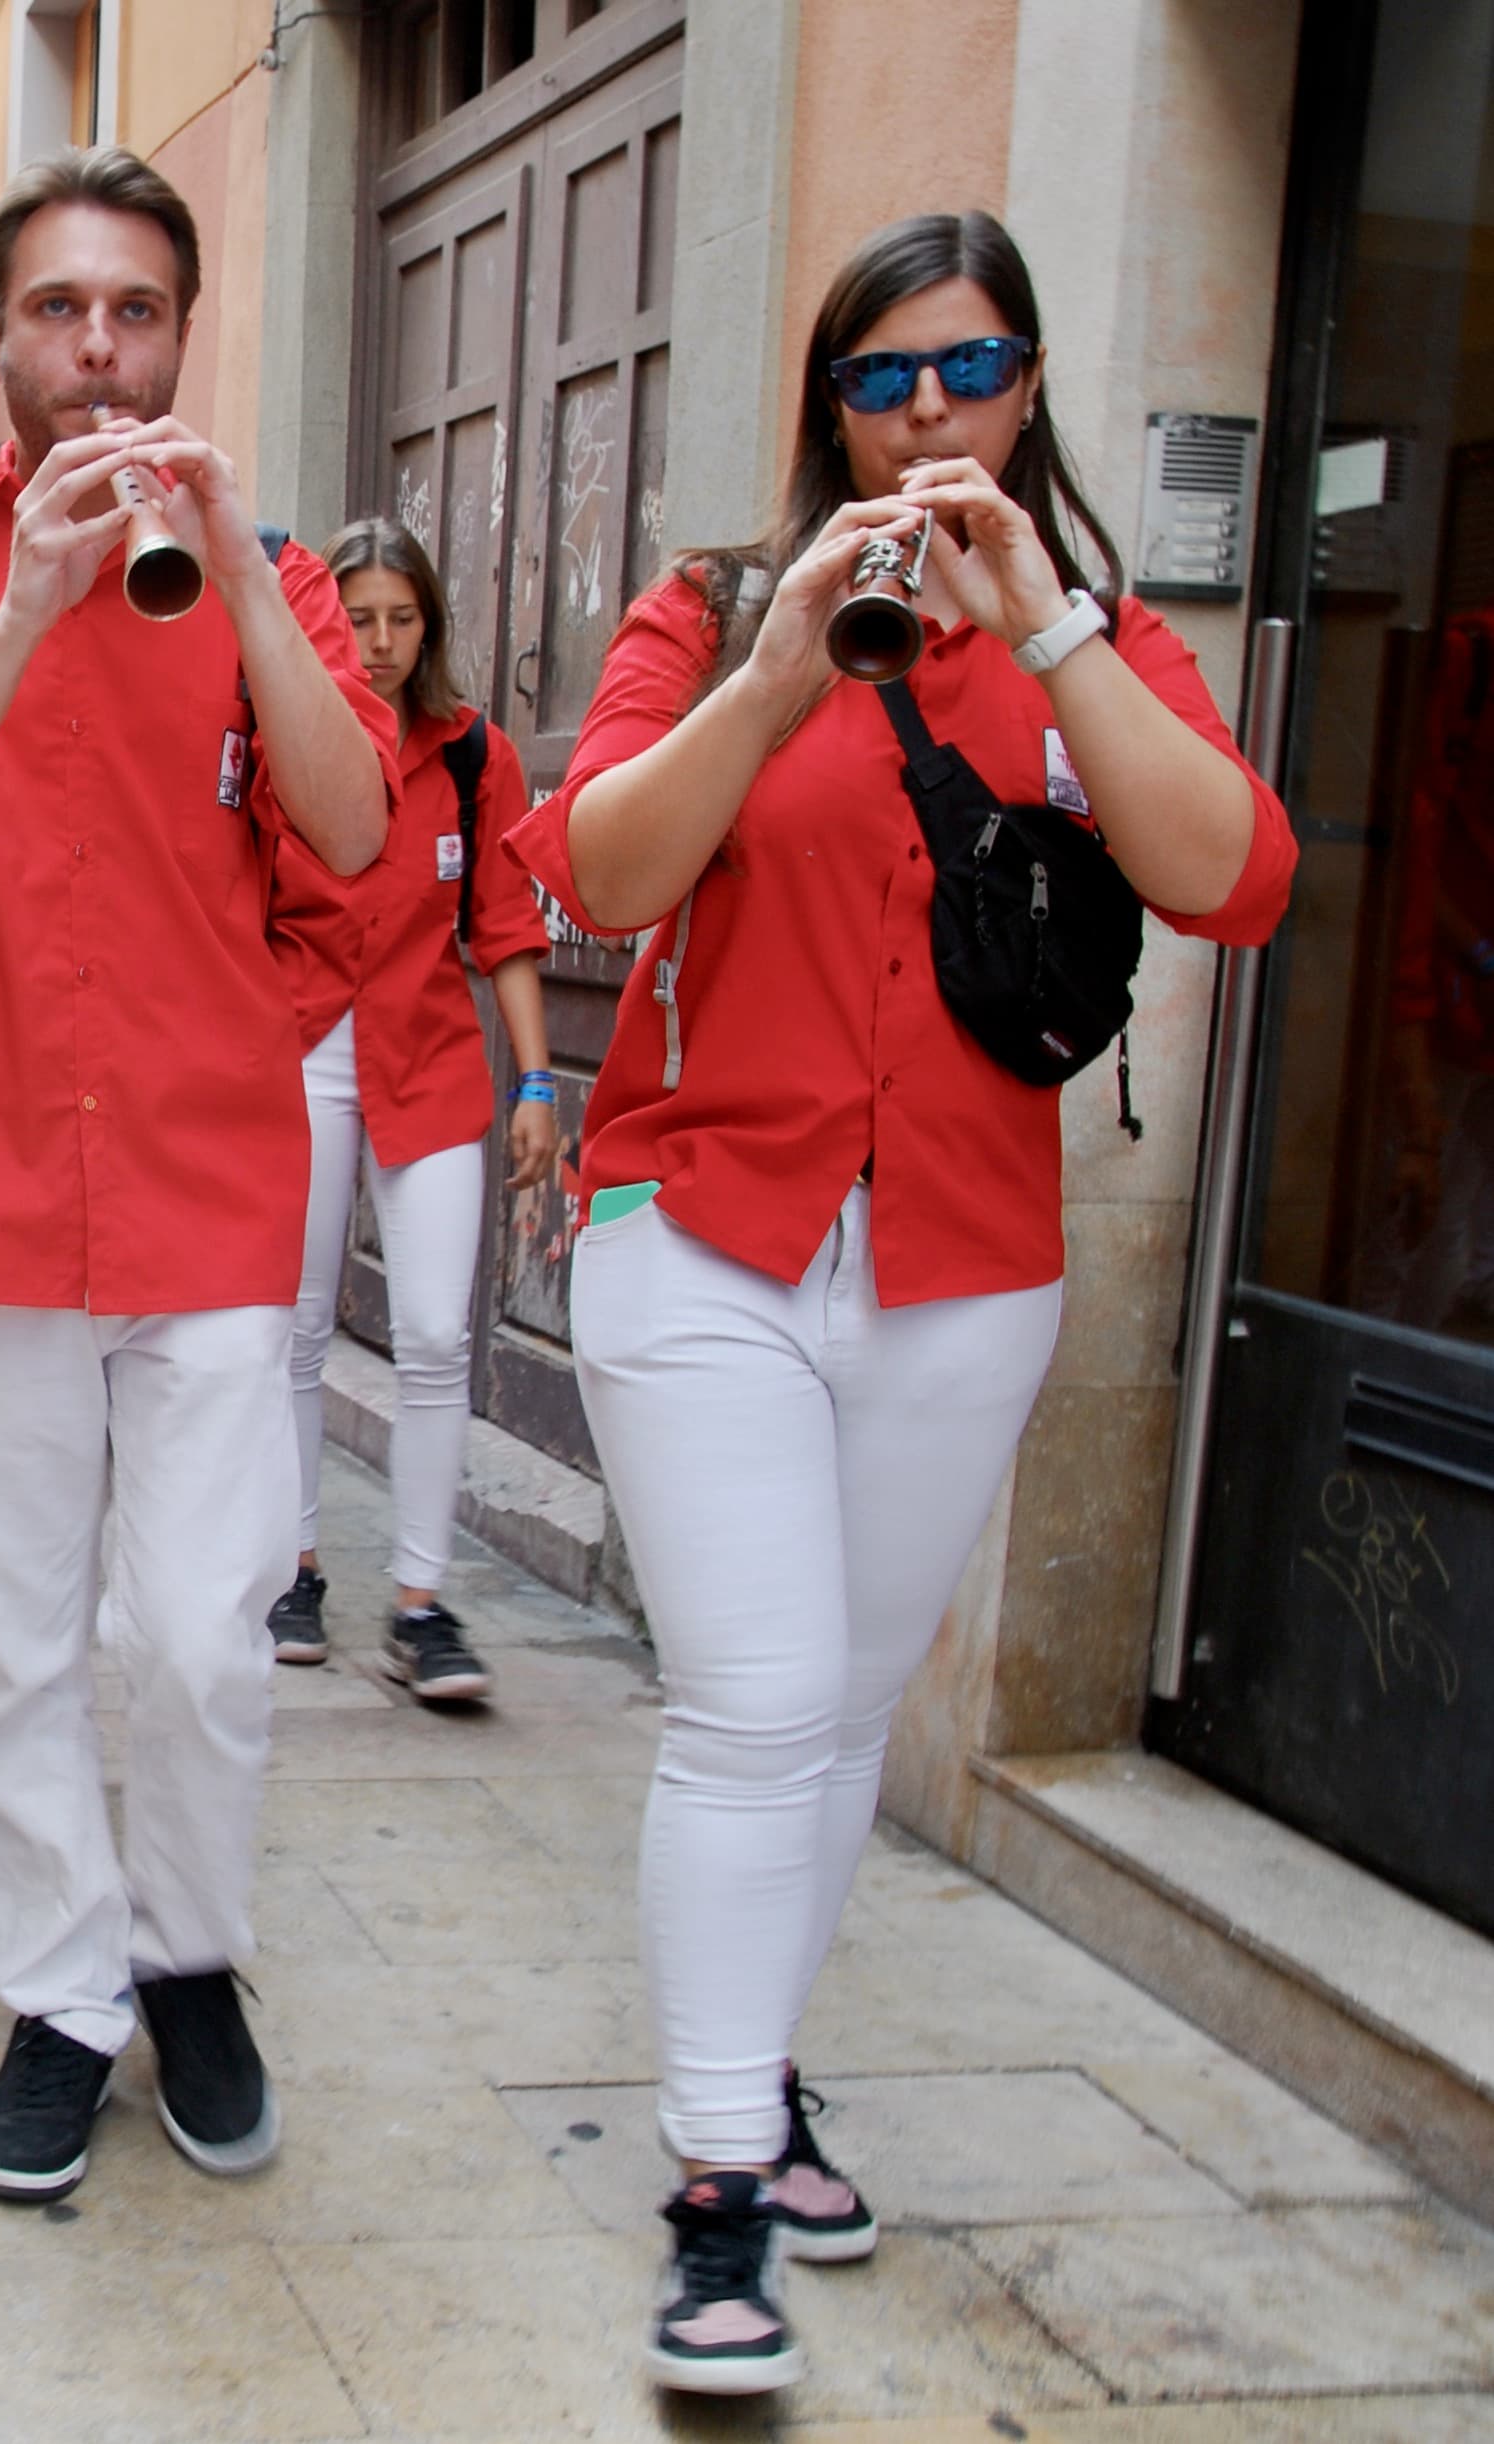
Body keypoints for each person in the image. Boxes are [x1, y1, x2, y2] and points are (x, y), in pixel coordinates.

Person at [514, 211, 1295, 2395]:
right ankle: (712, 2177)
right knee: (755, 1701)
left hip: (964, 1263)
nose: (929, 410)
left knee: (839, 1721)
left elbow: (1237, 876)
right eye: (884, 376)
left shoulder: (1099, 631)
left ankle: (755, 2074)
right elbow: (592, 867)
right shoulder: (710, 610)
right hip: (706, 1228)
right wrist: (784, 667)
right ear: (826, 402)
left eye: (970, 369)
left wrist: (1045, 640)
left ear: (1028, 386)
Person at [0, 147, 390, 2203]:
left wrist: (227, 573)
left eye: (136, 312)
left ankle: (190, 1952)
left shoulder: (268, 567)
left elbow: (355, 833)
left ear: (184, 335)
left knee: (211, 1635)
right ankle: (61, 1989)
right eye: (60, 310)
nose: (99, 351)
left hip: (211, 1185)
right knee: (25, 1641)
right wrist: (27, 599)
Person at [272, 518, 558, 1703]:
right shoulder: (285, 732)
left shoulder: (475, 755)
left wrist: (537, 1078)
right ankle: (291, 1569)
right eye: (360, 618)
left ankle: (422, 1602)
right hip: (297, 1049)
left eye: (402, 619)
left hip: (429, 1054)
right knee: (290, 1330)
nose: (380, 643)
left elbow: (504, 924)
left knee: (438, 1335)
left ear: (429, 625)